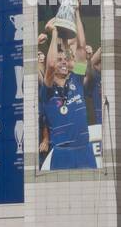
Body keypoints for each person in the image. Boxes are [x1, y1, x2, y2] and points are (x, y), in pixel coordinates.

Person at [38, 10, 100, 170]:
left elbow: (80, 47)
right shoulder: (48, 90)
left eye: (65, 59)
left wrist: (77, 12)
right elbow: (51, 65)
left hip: (85, 150)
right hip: (61, 153)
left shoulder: (76, 81)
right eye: (60, 60)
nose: (64, 62)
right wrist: (55, 32)